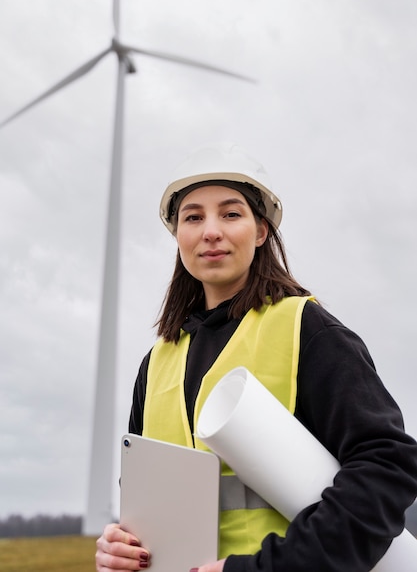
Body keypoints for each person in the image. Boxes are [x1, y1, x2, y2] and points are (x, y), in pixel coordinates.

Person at [96, 143, 417, 572]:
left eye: (231, 214)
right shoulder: (156, 364)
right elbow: (144, 506)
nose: (211, 231)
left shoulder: (307, 330)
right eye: (193, 217)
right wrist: (120, 548)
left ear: (261, 231)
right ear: (177, 235)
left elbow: (387, 466)